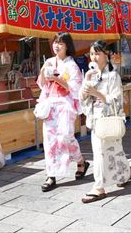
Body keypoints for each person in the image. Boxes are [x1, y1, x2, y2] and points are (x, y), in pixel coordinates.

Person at [79, 40, 131, 203]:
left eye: (97, 53)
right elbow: (82, 98)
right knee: (111, 150)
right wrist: (86, 83)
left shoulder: (113, 75)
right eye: (92, 53)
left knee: (103, 151)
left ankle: (99, 187)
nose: (93, 57)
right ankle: (123, 174)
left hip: (108, 117)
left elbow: (116, 100)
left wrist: (96, 93)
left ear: (106, 55)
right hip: (96, 118)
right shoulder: (91, 74)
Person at [37, 32, 89, 192]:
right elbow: (41, 84)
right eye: (55, 42)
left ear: (67, 46)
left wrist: (56, 78)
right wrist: (43, 71)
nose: (56, 45)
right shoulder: (50, 62)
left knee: (66, 136)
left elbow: (74, 88)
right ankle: (50, 175)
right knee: (50, 139)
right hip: (51, 105)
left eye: (60, 43)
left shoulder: (72, 66)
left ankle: (80, 161)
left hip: (65, 105)